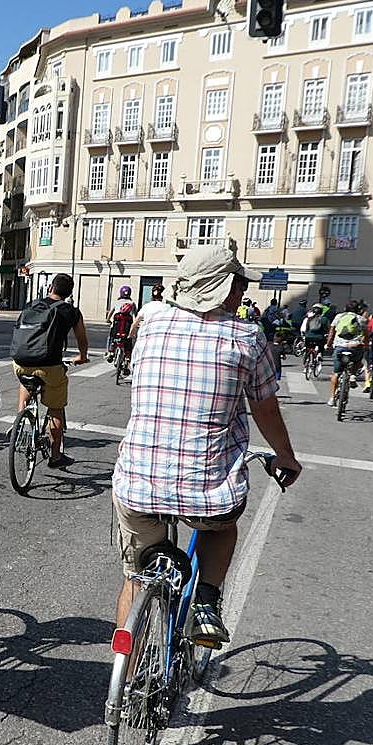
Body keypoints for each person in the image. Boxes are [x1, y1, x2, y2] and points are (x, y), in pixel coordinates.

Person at [113, 245, 301, 646]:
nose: (241, 291)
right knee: (221, 529)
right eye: (238, 283)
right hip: (208, 492)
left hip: (137, 485)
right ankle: (205, 603)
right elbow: (265, 411)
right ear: (223, 288)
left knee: (135, 576)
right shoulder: (247, 337)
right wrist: (285, 455)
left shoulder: (150, 321)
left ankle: (123, 682)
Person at [12, 274, 90, 468]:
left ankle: (21, 423)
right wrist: (82, 356)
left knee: (25, 383)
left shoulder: (32, 305)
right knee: (56, 408)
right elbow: (82, 339)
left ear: (50, 288)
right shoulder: (71, 311)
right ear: (69, 293)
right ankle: (56, 457)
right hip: (49, 365)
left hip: (20, 362)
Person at [325, 300, 369, 407]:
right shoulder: (361, 319)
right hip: (355, 347)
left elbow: (332, 332)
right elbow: (366, 335)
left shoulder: (339, 317)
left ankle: (331, 398)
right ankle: (353, 375)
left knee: (336, 373)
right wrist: (366, 345)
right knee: (358, 360)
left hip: (340, 347)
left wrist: (328, 344)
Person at [107, 286, 137, 375]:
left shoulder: (117, 302)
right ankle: (127, 360)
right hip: (126, 330)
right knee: (129, 341)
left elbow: (111, 313)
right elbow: (136, 315)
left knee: (111, 337)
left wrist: (108, 320)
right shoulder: (132, 303)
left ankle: (110, 352)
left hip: (116, 328)